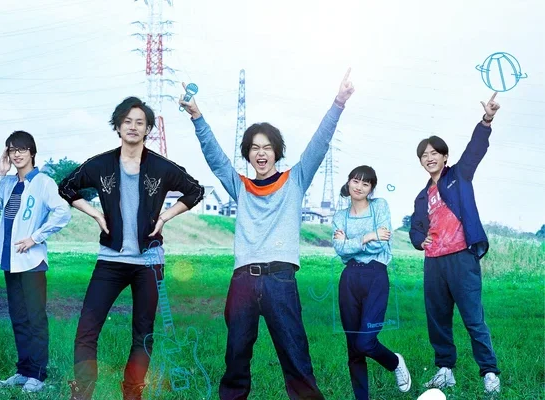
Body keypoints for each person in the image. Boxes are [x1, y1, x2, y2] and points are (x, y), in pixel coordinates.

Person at [179, 69, 355, 400]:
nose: (261, 153)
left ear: (277, 152)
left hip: (280, 280)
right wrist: (197, 117)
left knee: (296, 356)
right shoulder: (240, 186)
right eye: (255, 148)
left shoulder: (295, 180)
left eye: (268, 147)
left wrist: (339, 102)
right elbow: (215, 158)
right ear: (248, 154)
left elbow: (319, 144)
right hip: (243, 281)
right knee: (236, 358)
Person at [58, 96, 204, 400]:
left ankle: (132, 393)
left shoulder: (161, 167)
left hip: (149, 262)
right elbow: (67, 187)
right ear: (118, 126)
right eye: (127, 121)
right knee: (87, 329)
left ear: (148, 128)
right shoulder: (100, 165)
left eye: (140, 122)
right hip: (109, 261)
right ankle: (82, 391)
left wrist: (164, 217)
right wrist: (96, 213)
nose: (133, 127)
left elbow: (195, 190)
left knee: (143, 334)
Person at [409, 93, 502, 394]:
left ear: (445, 157)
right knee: (437, 319)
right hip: (434, 262)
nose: (430, 157)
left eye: (435, 153)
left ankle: (489, 372)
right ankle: (445, 370)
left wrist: (486, 120)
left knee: (473, 319)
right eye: (424, 155)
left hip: (462, 258)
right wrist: (418, 240)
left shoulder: (459, 176)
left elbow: (475, 150)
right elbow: (415, 227)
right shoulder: (421, 196)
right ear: (421, 161)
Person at [0, 131, 71, 393]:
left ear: (32, 152)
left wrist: (36, 237)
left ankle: (38, 374)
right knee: (18, 318)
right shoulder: (8, 183)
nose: (17, 154)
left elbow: (62, 212)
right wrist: (0, 173)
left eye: (21, 149)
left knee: (35, 318)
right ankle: (23, 371)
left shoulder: (43, 182)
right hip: (10, 260)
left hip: (32, 262)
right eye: (12, 150)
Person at [332, 165, 411, 400]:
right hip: (349, 278)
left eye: (365, 183)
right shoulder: (340, 216)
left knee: (365, 342)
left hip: (376, 276)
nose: (359, 187)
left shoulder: (379, 206)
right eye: (355, 181)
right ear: (348, 182)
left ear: (371, 188)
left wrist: (353, 242)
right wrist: (368, 236)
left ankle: (395, 362)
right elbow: (340, 250)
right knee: (353, 347)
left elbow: (381, 244)